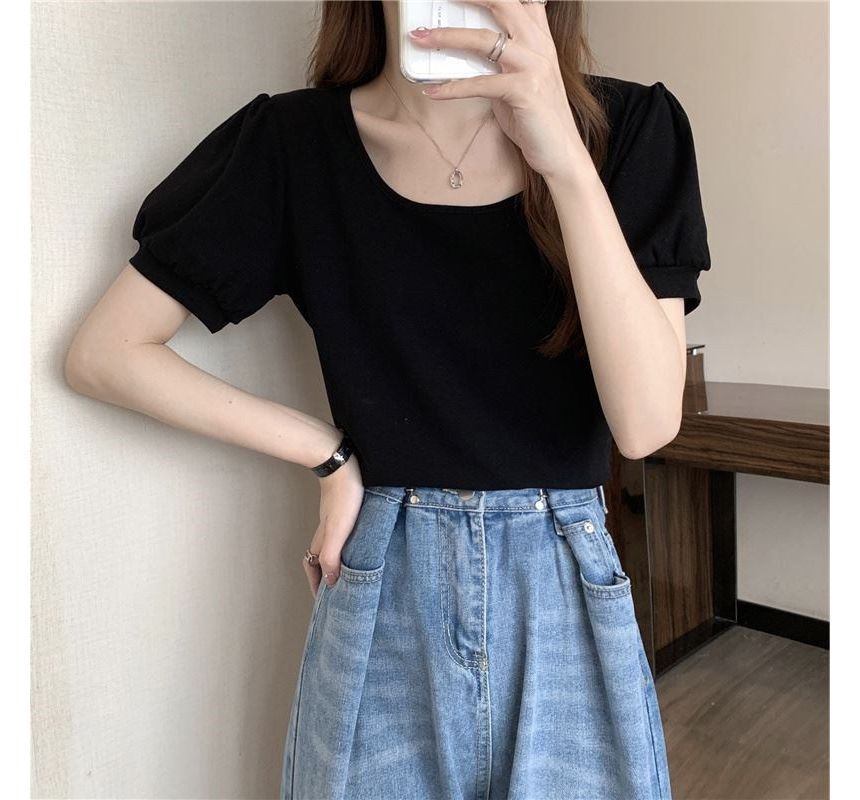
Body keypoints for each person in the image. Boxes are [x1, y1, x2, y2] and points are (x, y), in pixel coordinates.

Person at [64, 1, 711, 798]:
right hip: (385, 576)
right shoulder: (294, 144)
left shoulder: (631, 130)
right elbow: (105, 353)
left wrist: (565, 161)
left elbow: (645, 425)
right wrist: (326, 453)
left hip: (563, 578)